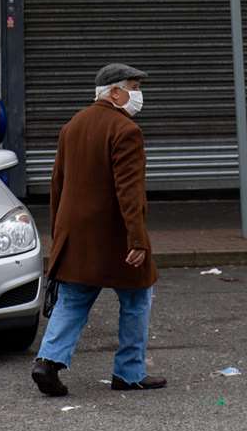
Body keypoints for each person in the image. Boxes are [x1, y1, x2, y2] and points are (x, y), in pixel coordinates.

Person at [31, 62, 165, 396]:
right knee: (137, 299)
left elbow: (57, 184)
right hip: (115, 238)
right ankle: (129, 373)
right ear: (115, 92)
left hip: (76, 237)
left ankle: (47, 361)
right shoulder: (126, 131)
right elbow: (129, 192)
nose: (137, 95)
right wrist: (137, 239)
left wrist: (59, 236)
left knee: (73, 301)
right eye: (133, 87)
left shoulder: (72, 126)